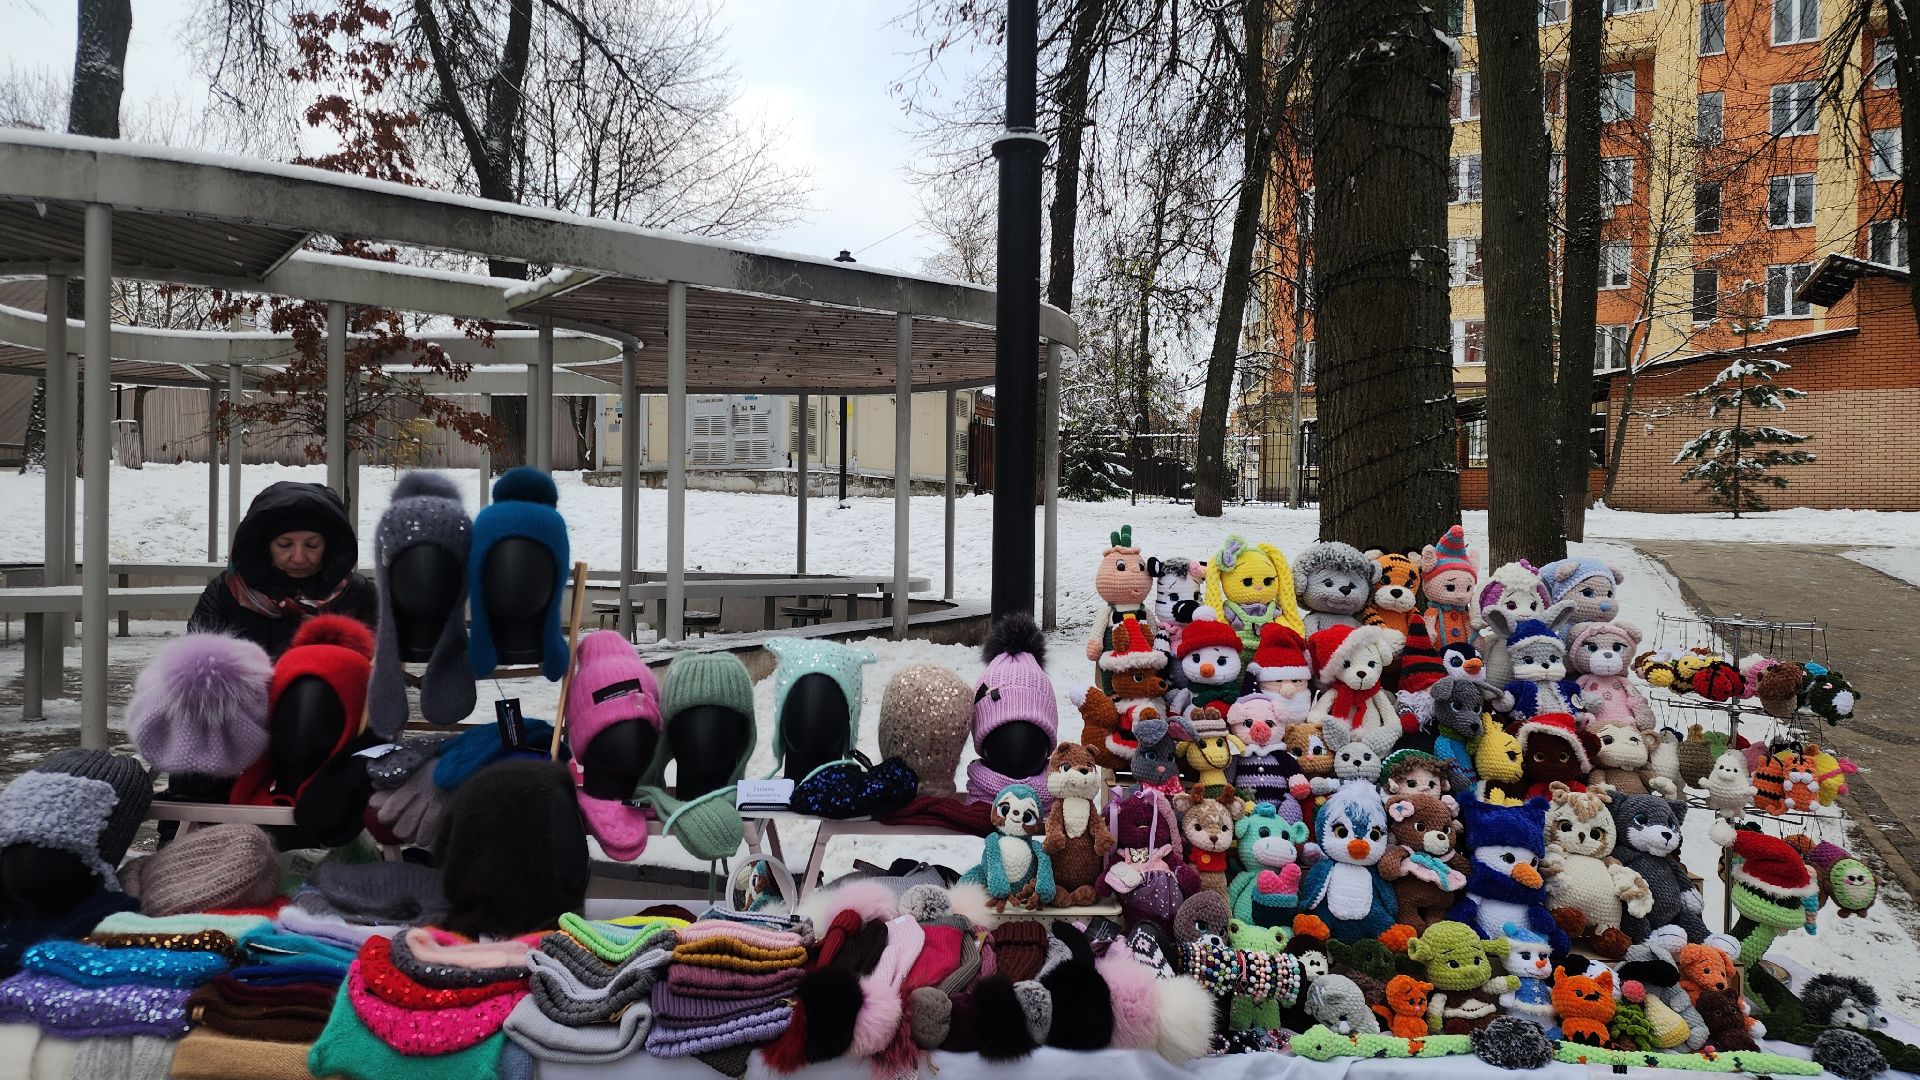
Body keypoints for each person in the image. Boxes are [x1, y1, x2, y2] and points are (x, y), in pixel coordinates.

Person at [188, 481, 378, 656]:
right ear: (265, 546)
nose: (298, 558)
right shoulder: (226, 593)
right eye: (284, 545)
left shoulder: (358, 595)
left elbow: (379, 665)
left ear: (329, 547)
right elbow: (199, 663)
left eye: (312, 545)